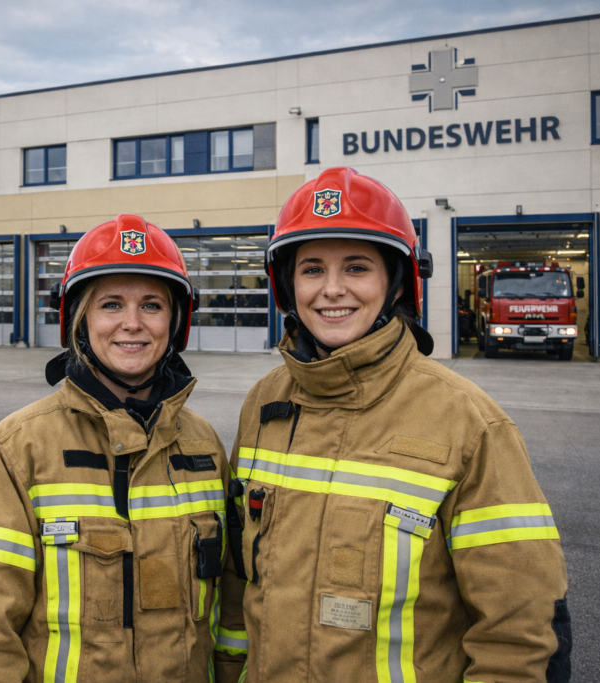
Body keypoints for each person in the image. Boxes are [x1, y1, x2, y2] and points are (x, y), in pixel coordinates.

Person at [215, 168, 570, 683]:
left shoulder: (469, 422)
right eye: (312, 269)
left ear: (396, 280)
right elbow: (238, 583)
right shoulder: (265, 403)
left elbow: (521, 629)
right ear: (288, 285)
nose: (331, 290)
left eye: (356, 267)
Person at [0, 214, 230, 683]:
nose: (132, 324)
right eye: (110, 304)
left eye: (151, 305)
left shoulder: (204, 445)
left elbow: (230, 607)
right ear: (80, 318)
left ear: (176, 321)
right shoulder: (15, 449)